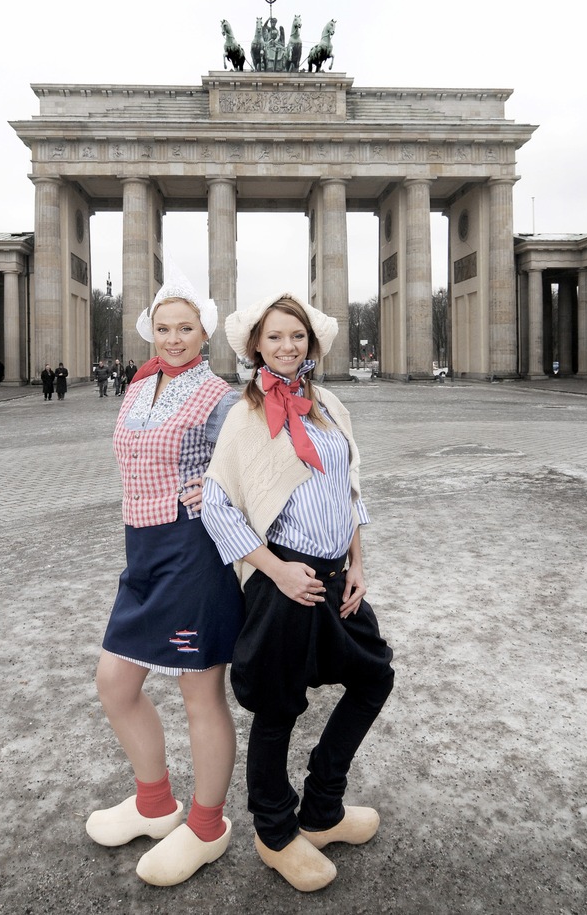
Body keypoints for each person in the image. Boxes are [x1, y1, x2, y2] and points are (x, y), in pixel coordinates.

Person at [201, 293, 394, 893]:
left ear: (311, 342)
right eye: (276, 337)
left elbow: (350, 486)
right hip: (285, 579)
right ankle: (275, 831)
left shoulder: (327, 404)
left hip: (337, 575)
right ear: (255, 344)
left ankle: (323, 807)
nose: (288, 347)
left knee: (374, 677)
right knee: (278, 705)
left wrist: (358, 560)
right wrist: (276, 570)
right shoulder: (245, 414)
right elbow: (217, 503)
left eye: (298, 336)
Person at [86, 264, 244, 889]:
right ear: (148, 329)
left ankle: (206, 826)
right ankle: (154, 806)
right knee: (115, 684)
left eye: (186, 327)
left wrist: (221, 488)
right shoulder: (137, 387)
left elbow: (252, 470)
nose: (173, 338)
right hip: (141, 555)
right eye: (163, 327)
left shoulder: (222, 397)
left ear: (205, 332)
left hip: (192, 554)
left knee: (199, 695)